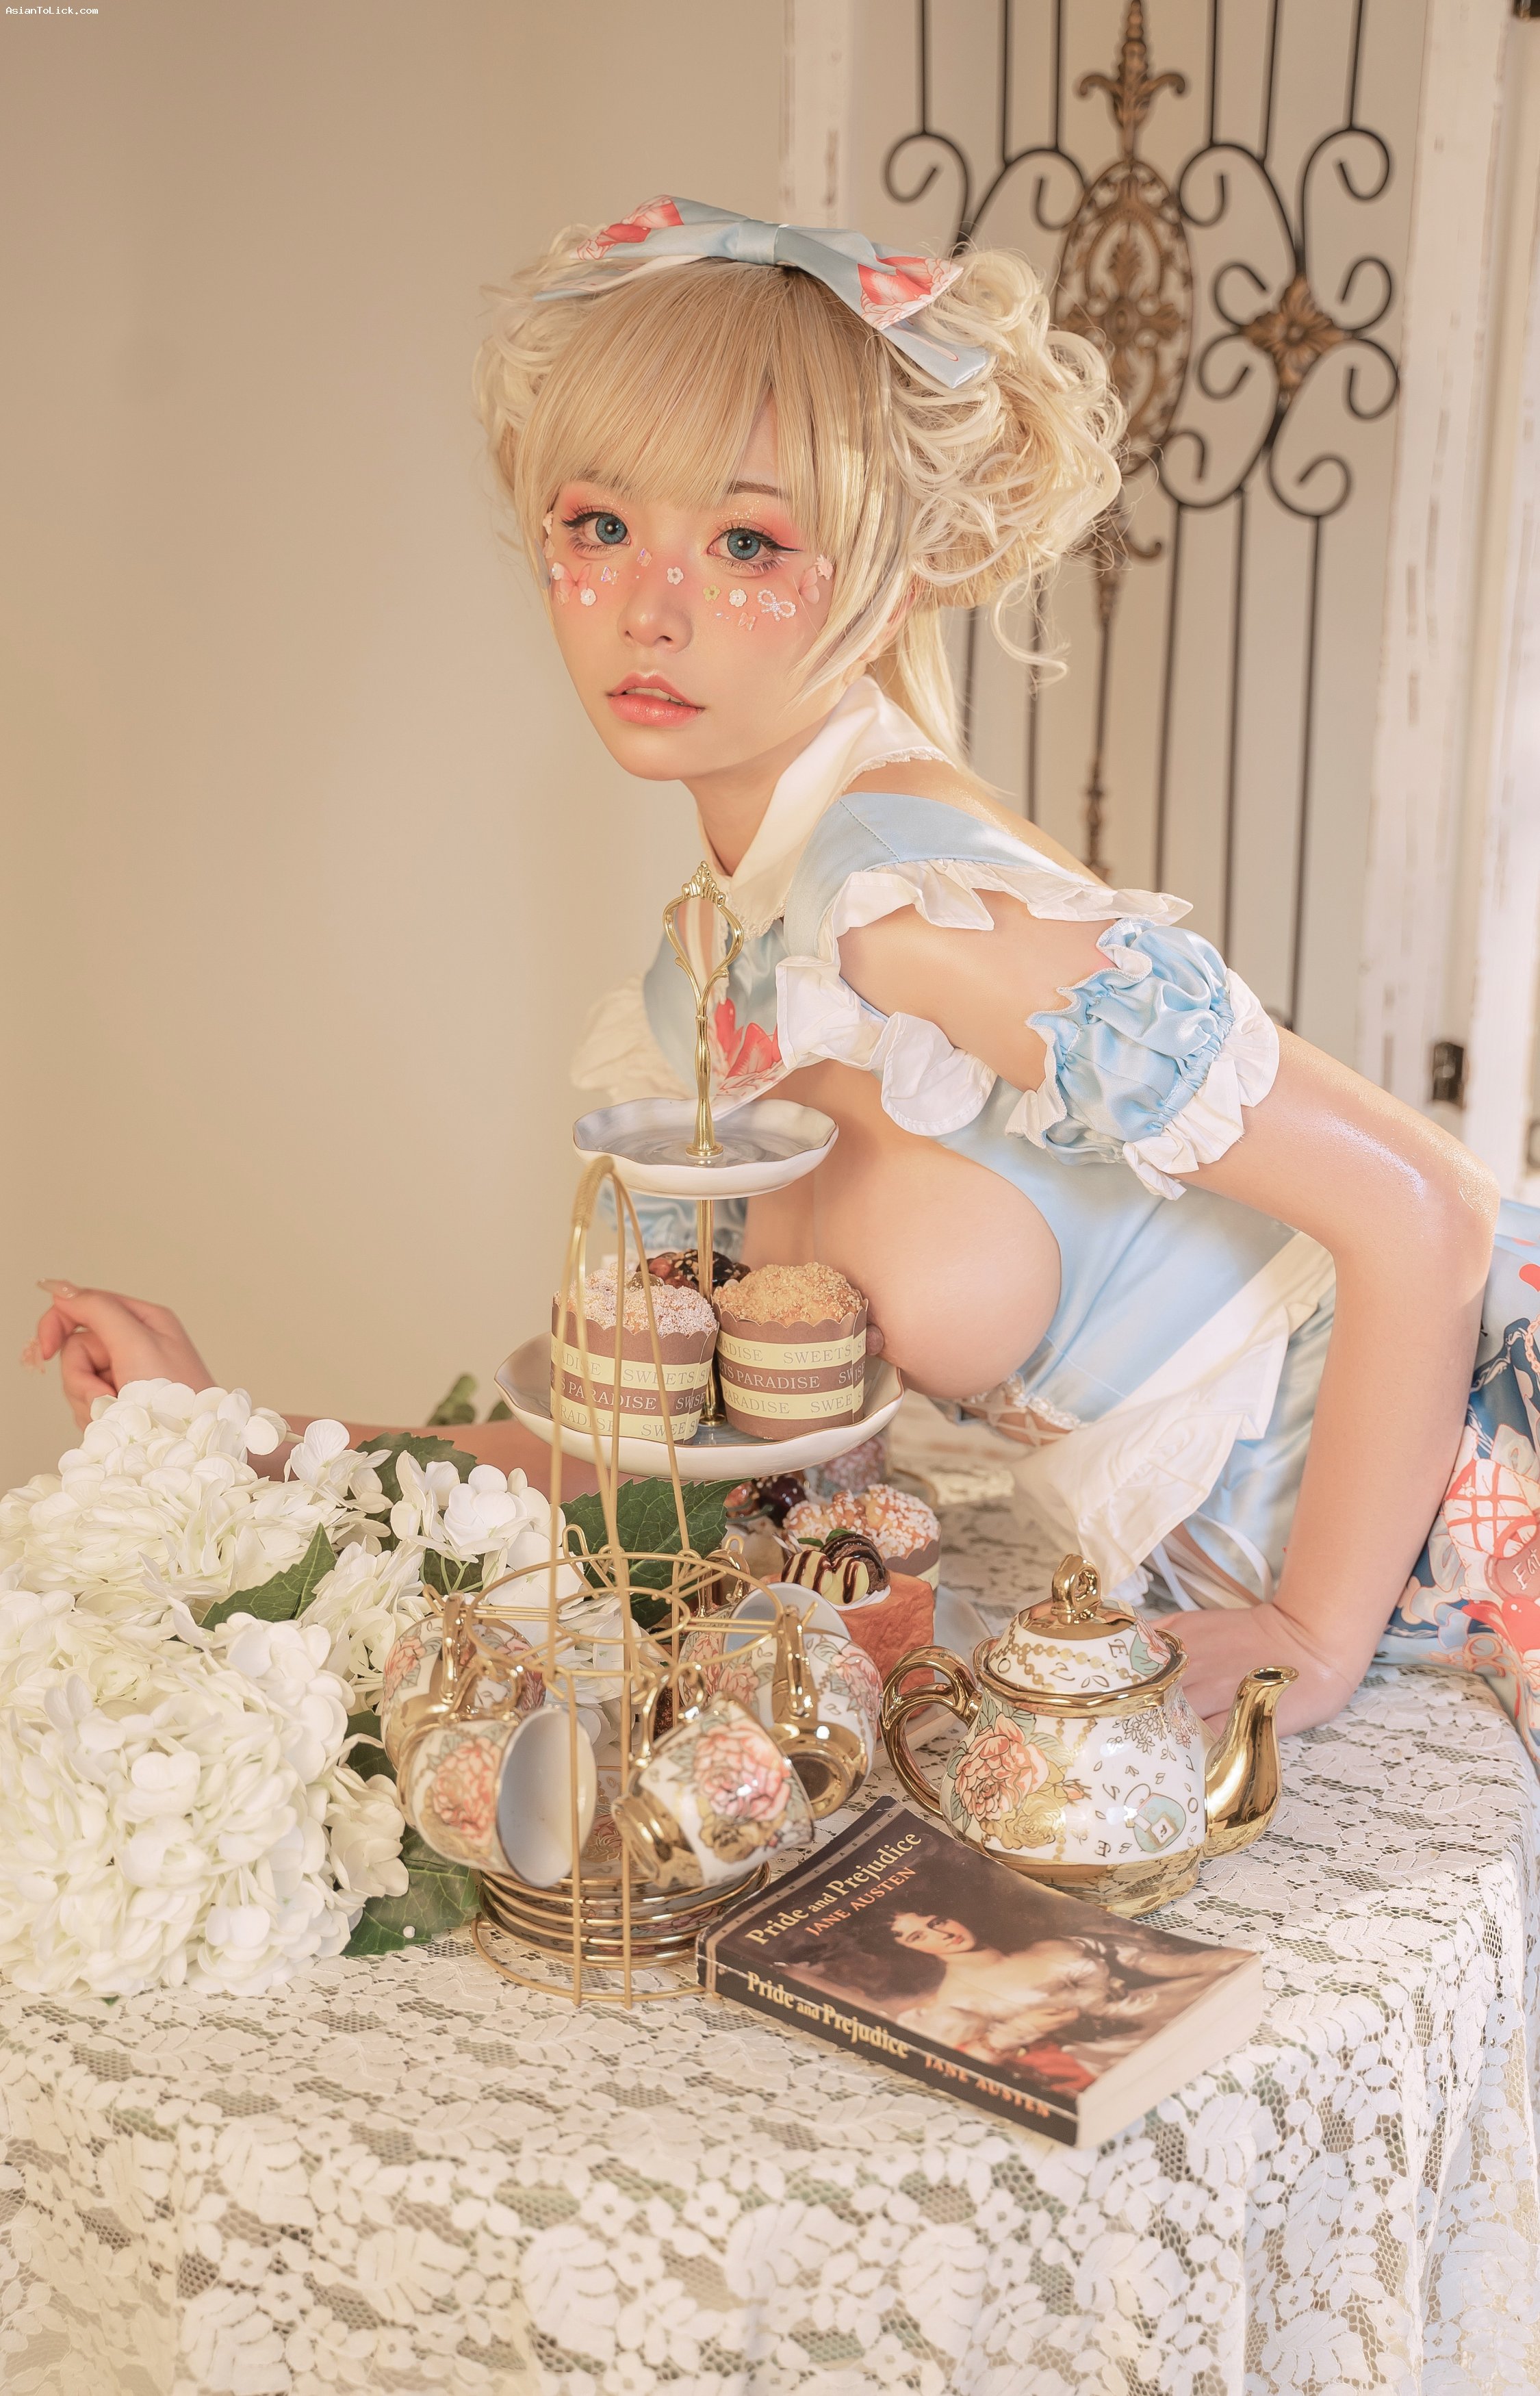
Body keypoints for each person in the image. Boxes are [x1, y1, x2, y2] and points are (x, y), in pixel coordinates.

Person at [24, 195, 1539, 1753]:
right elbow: (649, 1465)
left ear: (890, 578)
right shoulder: (717, 980)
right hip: (1266, 1616)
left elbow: (1431, 1206)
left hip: (1470, 1540)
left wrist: (1314, 1631)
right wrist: (246, 1438)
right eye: (599, 526)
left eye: (746, 541)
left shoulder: (912, 914)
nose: (650, 608)